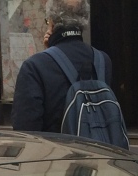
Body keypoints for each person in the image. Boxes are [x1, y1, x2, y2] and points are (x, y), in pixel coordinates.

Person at [12, 0, 114, 134]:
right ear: (84, 18)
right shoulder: (102, 60)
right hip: (98, 152)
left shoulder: (34, 67)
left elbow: (25, 131)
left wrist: (49, 53)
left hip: (58, 153)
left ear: (51, 21)